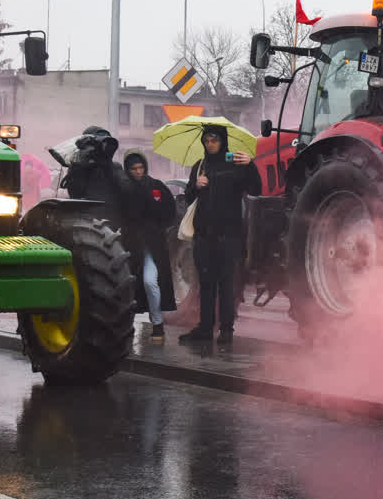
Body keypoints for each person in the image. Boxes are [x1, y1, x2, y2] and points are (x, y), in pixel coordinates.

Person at [179, 125, 260, 349]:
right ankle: (205, 328)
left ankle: (226, 330)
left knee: (226, 284)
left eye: (214, 140)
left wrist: (250, 165)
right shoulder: (200, 166)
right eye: (206, 141)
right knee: (205, 284)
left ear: (222, 141)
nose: (210, 144)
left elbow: (256, 189)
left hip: (229, 236)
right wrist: (196, 186)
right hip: (204, 236)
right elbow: (188, 197)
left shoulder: (236, 164)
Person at [123, 151, 177, 344]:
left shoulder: (156, 186)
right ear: (127, 170)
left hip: (152, 247)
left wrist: (157, 226)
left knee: (150, 282)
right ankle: (126, 326)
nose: (138, 172)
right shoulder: (124, 190)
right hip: (129, 247)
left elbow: (170, 211)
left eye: (140, 168)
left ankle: (157, 323)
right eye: (133, 169)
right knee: (126, 287)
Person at [61, 126, 129, 231]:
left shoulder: (114, 167)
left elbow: (125, 188)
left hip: (112, 224)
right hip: (87, 225)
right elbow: (75, 194)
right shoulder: (79, 166)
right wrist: (79, 167)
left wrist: (107, 165)